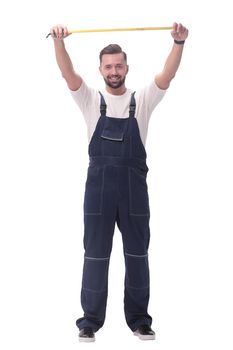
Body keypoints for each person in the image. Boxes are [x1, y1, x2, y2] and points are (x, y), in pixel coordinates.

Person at [50, 22, 189, 342]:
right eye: (108, 66)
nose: (114, 70)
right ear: (100, 69)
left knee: (138, 254)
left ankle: (140, 320)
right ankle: (89, 321)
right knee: (95, 254)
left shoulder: (142, 101)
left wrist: (178, 44)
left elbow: (167, 76)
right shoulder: (89, 100)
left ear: (127, 67)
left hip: (133, 190)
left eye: (119, 65)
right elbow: (67, 74)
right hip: (98, 191)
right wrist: (59, 43)